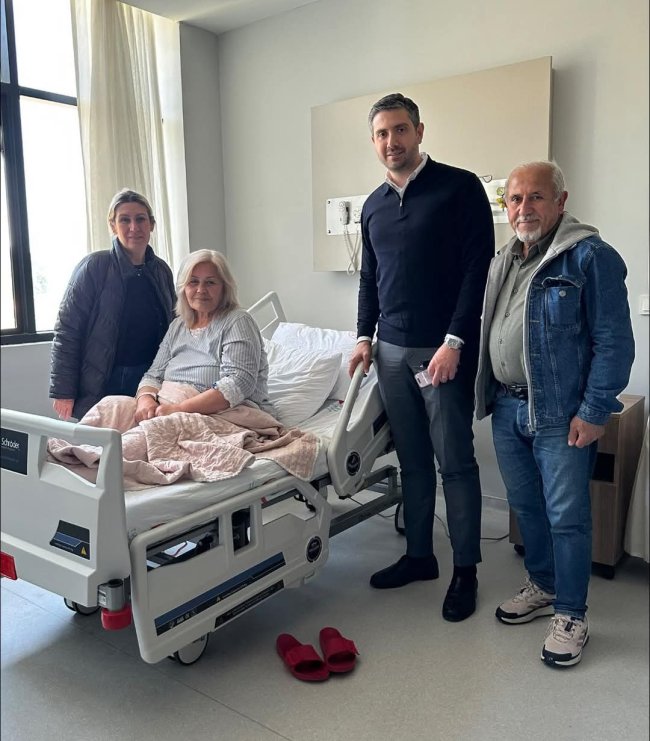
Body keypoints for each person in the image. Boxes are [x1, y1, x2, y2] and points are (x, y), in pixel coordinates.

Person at [475, 161, 635, 667]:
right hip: (507, 406)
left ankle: (571, 614)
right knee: (527, 507)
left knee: (567, 517)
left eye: (536, 197)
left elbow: (614, 343)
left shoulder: (591, 257)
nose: (524, 208)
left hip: (560, 415)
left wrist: (594, 411)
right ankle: (543, 585)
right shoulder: (504, 260)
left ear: (561, 202)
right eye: (515, 198)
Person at [348, 93, 494, 622]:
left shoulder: (460, 187)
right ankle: (419, 557)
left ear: (419, 131)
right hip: (390, 351)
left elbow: (478, 269)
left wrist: (455, 341)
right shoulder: (372, 206)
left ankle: (465, 570)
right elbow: (370, 279)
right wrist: (363, 336)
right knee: (411, 460)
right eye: (382, 133)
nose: (392, 141)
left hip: (443, 352)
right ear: (374, 141)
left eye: (400, 129)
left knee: (454, 462)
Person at [50, 189, 176, 421]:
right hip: (104, 380)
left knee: (142, 439)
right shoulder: (94, 267)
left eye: (140, 219)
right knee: (100, 441)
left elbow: (174, 327)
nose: (134, 227)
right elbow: (67, 331)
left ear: (151, 224)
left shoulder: (161, 271)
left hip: (150, 380)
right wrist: (63, 391)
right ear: (113, 225)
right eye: (124, 220)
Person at [133, 248, 274, 423]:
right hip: (166, 405)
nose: (201, 290)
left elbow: (239, 382)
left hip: (217, 412)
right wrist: (145, 400)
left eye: (210, 283)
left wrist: (179, 409)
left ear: (224, 288)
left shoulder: (237, 321)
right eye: (193, 282)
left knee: (140, 436)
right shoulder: (177, 326)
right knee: (110, 407)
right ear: (183, 288)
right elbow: (153, 375)